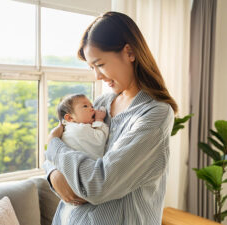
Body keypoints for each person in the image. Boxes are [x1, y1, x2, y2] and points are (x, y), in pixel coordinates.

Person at [43, 11, 177, 225]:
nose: (96, 76)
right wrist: (52, 174)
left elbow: (98, 184)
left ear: (129, 52)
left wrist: (54, 146)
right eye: (92, 67)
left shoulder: (155, 114)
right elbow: (63, 142)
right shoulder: (100, 105)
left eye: (100, 64)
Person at [54, 93, 109, 225]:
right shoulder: (79, 130)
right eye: (85, 106)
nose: (92, 109)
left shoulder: (67, 130)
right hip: (81, 182)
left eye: (91, 105)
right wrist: (100, 121)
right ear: (69, 117)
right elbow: (99, 140)